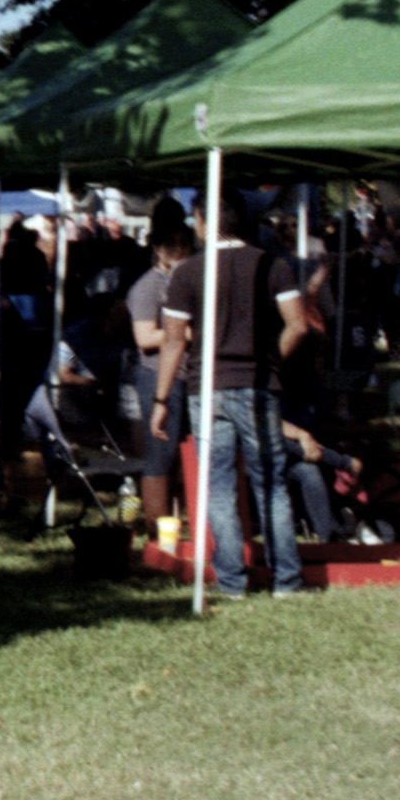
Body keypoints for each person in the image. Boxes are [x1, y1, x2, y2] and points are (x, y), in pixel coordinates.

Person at [152, 191, 310, 597]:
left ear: (204, 220)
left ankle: (231, 580)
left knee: (218, 487)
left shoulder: (187, 272)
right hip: (259, 386)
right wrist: (271, 361)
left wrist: (160, 399)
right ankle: (287, 580)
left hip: (207, 389)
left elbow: (173, 342)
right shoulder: (272, 264)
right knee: (270, 484)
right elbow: (298, 325)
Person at [125, 206, 195, 529]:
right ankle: (156, 527)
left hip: (187, 375)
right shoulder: (146, 287)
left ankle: (182, 519)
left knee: (185, 451)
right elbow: (144, 336)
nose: (179, 250)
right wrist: (183, 332)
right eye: (171, 244)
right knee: (161, 454)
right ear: (156, 248)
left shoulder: (189, 281)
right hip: (157, 375)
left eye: (184, 242)